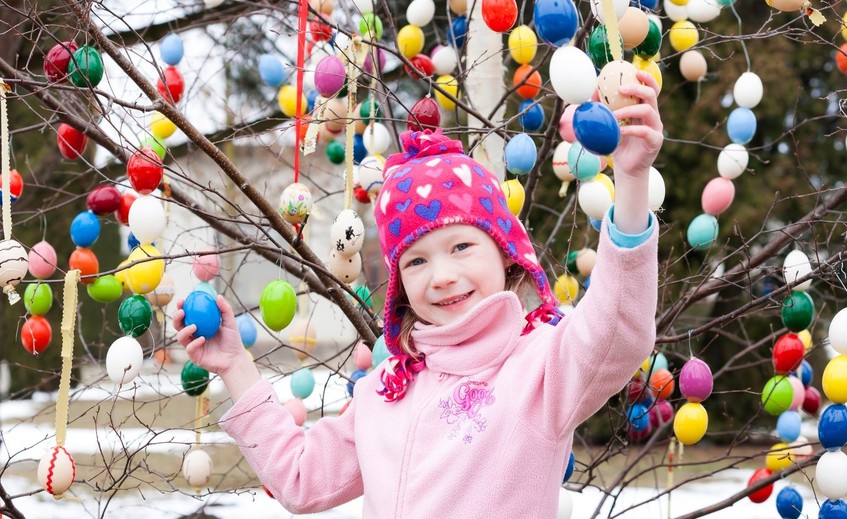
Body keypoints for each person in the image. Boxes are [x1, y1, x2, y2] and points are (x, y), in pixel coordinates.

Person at [173, 71, 664, 517]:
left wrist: (633, 179)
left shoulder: (542, 368)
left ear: (506, 252)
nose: (442, 276)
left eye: (462, 245)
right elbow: (301, 481)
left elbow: (619, 329)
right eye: (417, 260)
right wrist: (236, 366)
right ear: (401, 283)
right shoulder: (385, 390)